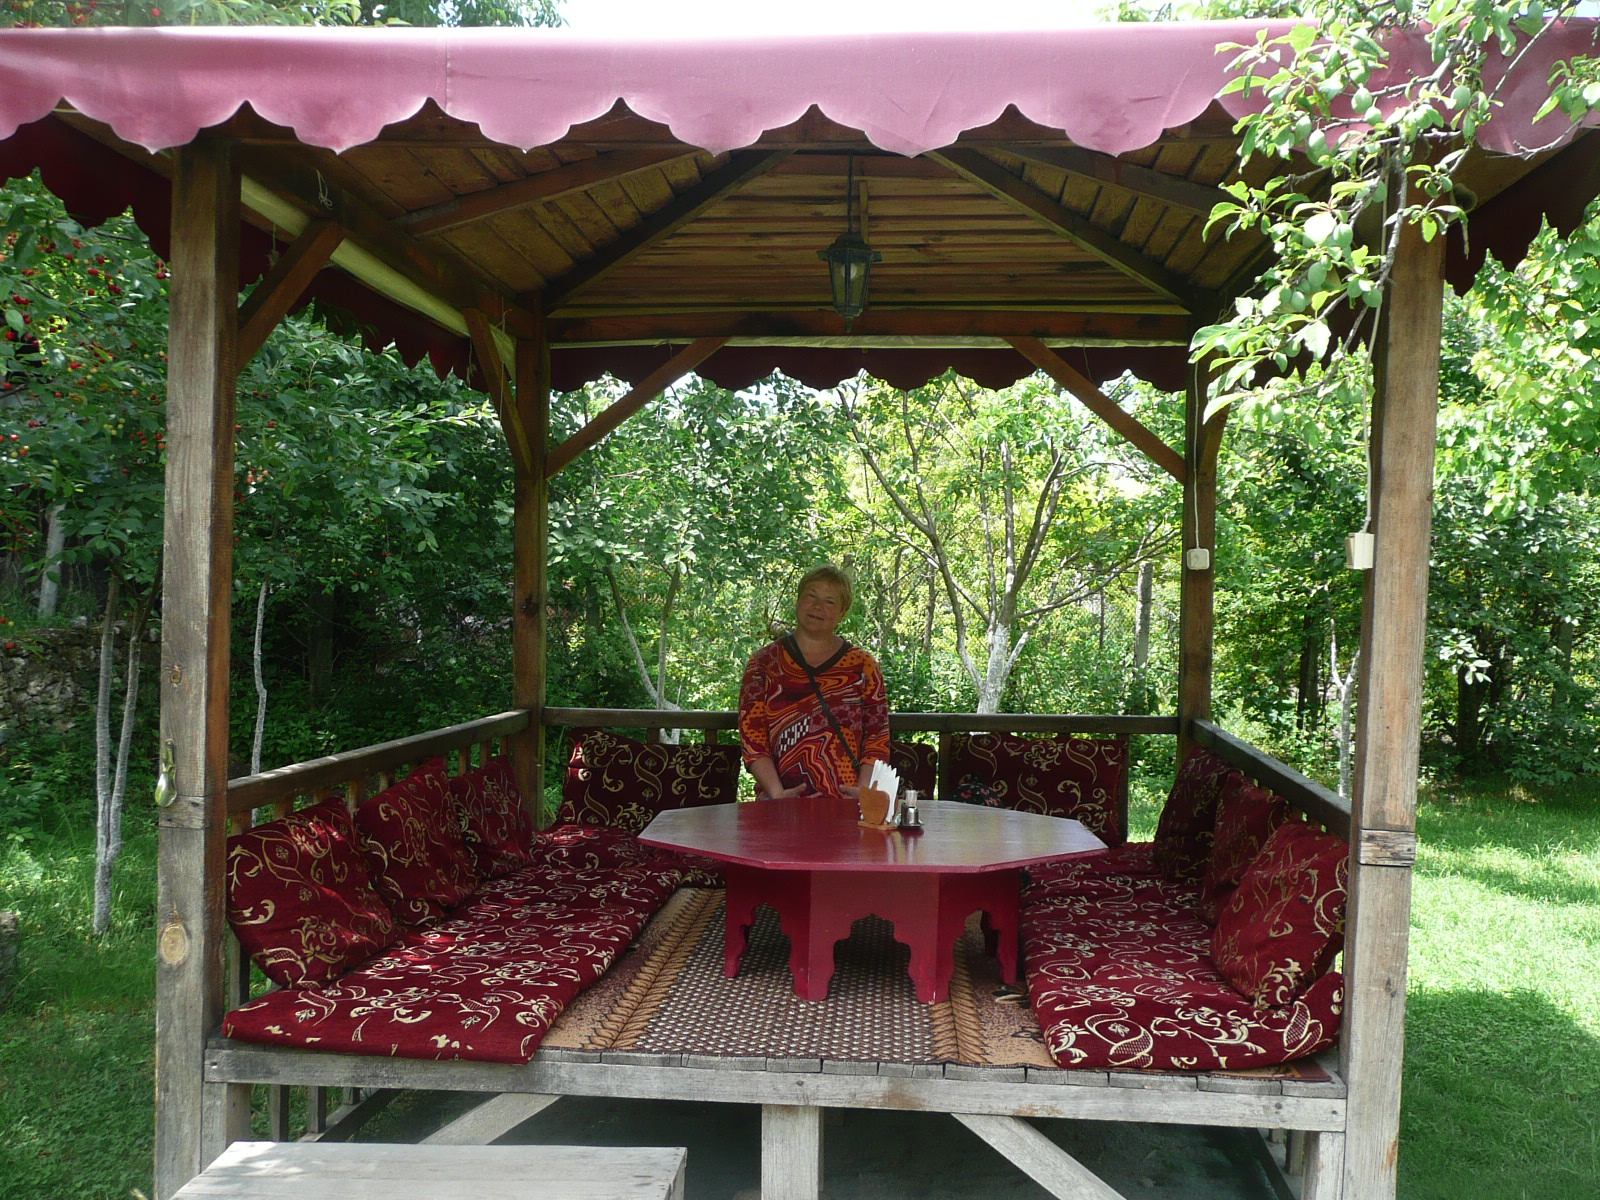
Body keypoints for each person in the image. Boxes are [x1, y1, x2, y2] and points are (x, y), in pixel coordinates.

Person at [738, 565, 889, 800]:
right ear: (798, 600)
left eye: (830, 601)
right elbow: (752, 736)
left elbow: (877, 736)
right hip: (780, 802)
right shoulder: (764, 663)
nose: (818, 606)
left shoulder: (862, 665)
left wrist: (862, 792)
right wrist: (777, 793)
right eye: (811, 596)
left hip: (845, 801)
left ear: (842, 613)